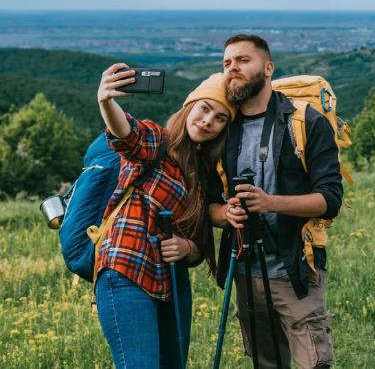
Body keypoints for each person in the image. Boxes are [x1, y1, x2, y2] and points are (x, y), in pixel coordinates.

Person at [209, 34, 343, 369]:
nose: (233, 68)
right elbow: (208, 202)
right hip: (244, 269)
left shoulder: (305, 121)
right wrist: (225, 214)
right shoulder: (222, 127)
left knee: (314, 363)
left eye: (243, 60)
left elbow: (330, 199)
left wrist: (270, 203)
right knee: (266, 362)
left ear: (268, 68)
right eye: (227, 63)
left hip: (294, 267)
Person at [96, 65, 235, 368]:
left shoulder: (203, 174)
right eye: (204, 109)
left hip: (171, 282)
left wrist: (187, 248)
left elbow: (198, 242)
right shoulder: (158, 142)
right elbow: (127, 134)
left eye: (220, 118)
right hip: (127, 269)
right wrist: (106, 101)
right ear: (189, 106)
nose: (208, 121)